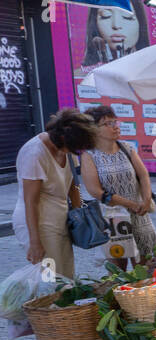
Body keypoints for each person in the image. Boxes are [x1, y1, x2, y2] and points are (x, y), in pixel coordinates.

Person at [12, 109, 98, 280]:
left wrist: (80, 216)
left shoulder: (67, 148)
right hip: (38, 223)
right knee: (50, 279)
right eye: (78, 148)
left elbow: (73, 185)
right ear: (64, 137)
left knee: (67, 277)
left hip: (61, 219)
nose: (78, 152)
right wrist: (35, 241)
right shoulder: (35, 153)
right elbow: (31, 202)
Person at [82, 106, 156, 266]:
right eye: (108, 123)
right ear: (94, 130)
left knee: (146, 266)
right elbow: (95, 191)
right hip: (113, 218)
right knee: (118, 271)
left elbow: (143, 175)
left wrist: (146, 200)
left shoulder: (127, 147)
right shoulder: (89, 155)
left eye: (115, 121)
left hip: (139, 214)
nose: (115, 126)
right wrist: (130, 204)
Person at [81, 0, 150, 66]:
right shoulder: (84, 75)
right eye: (106, 15)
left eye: (127, 17)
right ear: (95, 23)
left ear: (140, 23)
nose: (116, 25)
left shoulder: (152, 70)